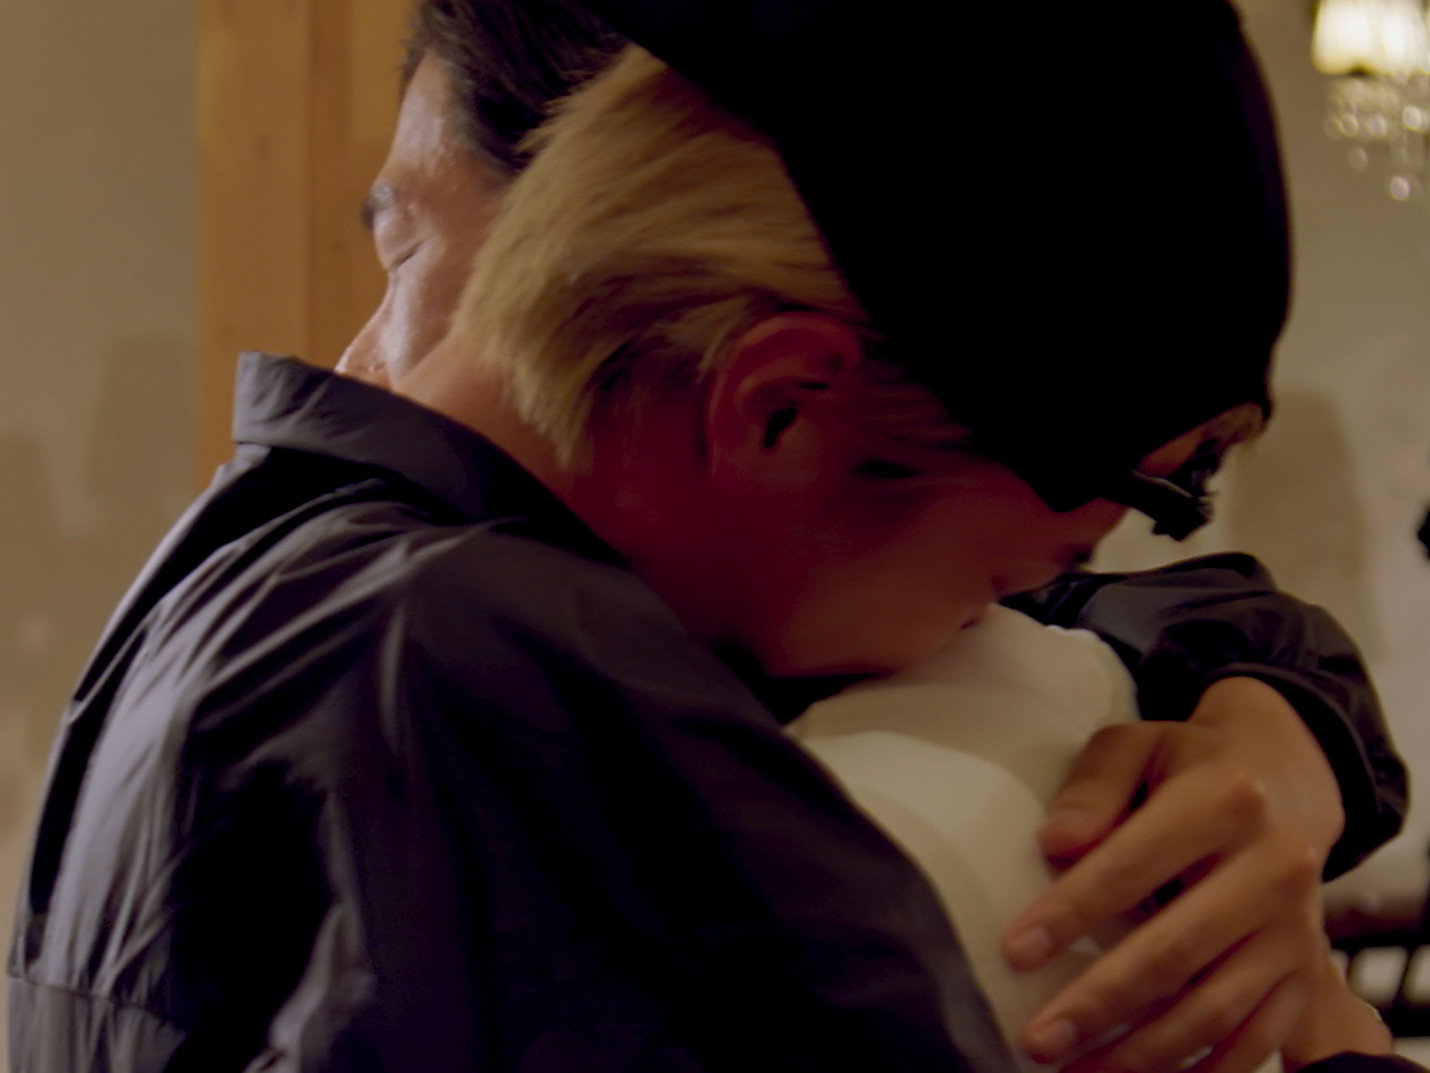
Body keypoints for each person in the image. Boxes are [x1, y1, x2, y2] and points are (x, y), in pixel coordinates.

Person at [3, 4, 1408, 1073]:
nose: (998, 620)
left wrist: (1274, 718)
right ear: (780, 404)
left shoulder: (287, 580)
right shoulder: (504, 696)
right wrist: (1336, 1044)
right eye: (1017, 571)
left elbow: (1143, 620)